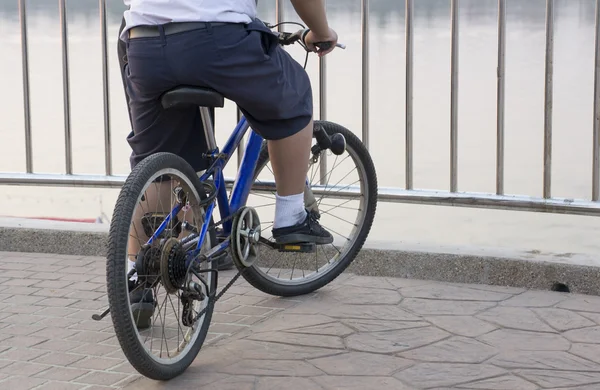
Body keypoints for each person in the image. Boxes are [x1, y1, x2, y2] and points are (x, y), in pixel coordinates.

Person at [120, 0, 337, 328]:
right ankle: (292, 216)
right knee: (293, 95)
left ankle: (137, 281)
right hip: (216, 40)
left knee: (159, 164)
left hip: (143, 43)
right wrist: (321, 31)